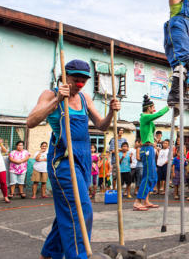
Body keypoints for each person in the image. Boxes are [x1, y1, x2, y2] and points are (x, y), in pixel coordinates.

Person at [26, 59, 120, 259]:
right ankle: (77, 256)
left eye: (83, 81)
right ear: (64, 76)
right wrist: (57, 100)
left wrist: (112, 110)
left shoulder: (85, 98)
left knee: (69, 208)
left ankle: (49, 253)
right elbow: (31, 122)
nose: (80, 85)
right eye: (75, 80)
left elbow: (101, 126)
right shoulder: (49, 94)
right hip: (63, 161)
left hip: (84, 160)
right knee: (80, 209)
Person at [131, 0, 189, 106]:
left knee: (186, 65)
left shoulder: (187, 2)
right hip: (177, 27)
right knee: (184, 60)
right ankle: (174, 94)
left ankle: (179, 92)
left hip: (183, 30)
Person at [134, 95, 169, 211]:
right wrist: (168, 106)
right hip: (146, 150)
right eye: (153, 107)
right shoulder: (144, 117)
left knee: (153, 176)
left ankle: (146, 200)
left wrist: (154, 140)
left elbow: (151, 130)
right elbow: (157, 115)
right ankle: (137, 202)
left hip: (150, 148)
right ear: (148, 107)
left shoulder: (148, 120)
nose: (154, 108)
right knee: (148, 175)